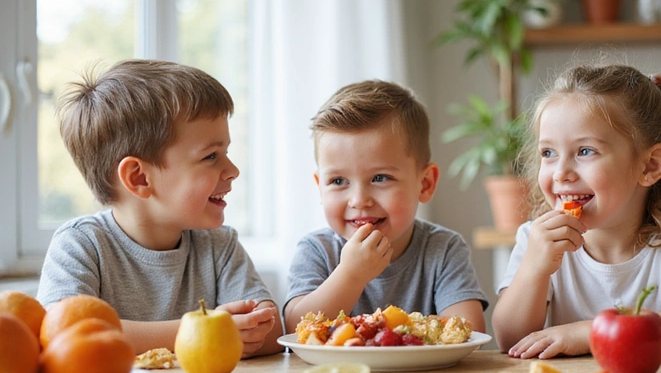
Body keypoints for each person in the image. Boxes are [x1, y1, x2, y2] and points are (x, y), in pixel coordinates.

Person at [491, 64, 661, 359]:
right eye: (548, 153)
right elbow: (510, 340)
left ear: (650, 166)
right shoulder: (535, 240)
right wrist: (534, 269)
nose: (561, 172)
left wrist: (589, 333)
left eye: (585, 150)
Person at [37, 59, 283, 357]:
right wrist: (203, 330)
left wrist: (251, 328)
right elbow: (65, 333)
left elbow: (273, 334)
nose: (232, 170)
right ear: (139, 178)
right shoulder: (80, 245)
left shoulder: (220, 245)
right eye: (210, 156)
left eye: (226, 152)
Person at [283, 80, 488, 334]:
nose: (359, 200)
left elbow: (467, 332)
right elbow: (295, 328)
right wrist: (350, 275)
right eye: (338, 181)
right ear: (320, 187)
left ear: (424, 184)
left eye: (380, 178)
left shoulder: (443, 249)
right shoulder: (316, 251)